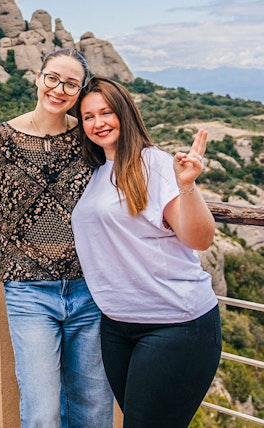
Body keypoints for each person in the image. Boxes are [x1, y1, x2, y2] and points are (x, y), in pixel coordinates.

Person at [0, 48, 114, 428]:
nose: (59, 89)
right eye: (52, 78)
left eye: (71, 84)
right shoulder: (0, 137)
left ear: (79, 92)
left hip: (88, 287)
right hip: (28, 291)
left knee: (93, 407)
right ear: (37, 78)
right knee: (41, 411)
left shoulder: (88, 137)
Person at [72, 76, 222, 428]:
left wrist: (187, 187)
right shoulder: (96, 172)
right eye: (89, 117)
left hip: (175, 324)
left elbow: (199, 238)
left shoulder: (155, 164)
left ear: (125, 113)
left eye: (107, 112)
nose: (98, 123)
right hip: (118, 327)